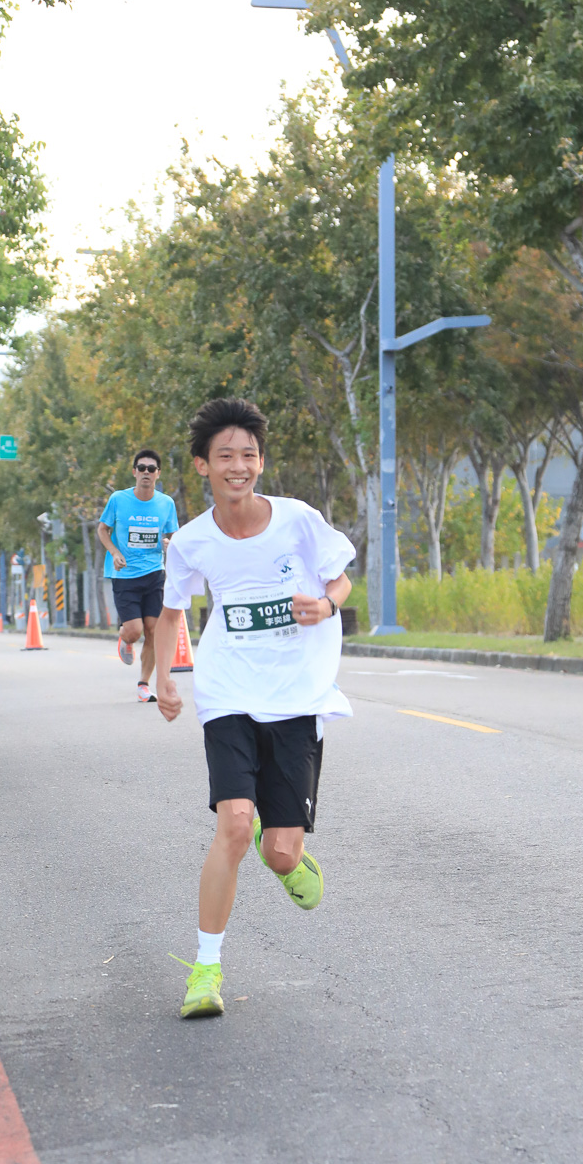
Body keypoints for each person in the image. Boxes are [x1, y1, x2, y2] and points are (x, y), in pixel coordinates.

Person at [153, 397, 355, 1020]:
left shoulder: (297, 519)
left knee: (279, 853)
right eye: (225, 456)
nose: (237, 466)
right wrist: (164, 679)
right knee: (234, 826)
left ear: (260, 462)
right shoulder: (191, 540)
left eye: (248, 455)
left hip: (297, 696)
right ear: (202, 466)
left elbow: (341, 577)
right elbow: (170, 613)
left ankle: (282, 846)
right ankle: (205, 970)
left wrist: (328, 603)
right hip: (228, 693)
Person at [97, 448, 179, 703]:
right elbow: (102, 529)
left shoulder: (166, 503)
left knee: (153, 630)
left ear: (158, 474)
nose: (146, 472)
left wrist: (169, 544)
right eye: (141, 468)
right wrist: (114, 552)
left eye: (151, 469)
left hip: (154, 573)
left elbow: (173, 535)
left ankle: (143, 685)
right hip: (124, 574)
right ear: (134, 472)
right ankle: (126, 638)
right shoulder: (118, 499)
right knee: (135, 630)